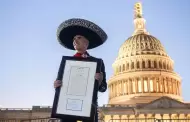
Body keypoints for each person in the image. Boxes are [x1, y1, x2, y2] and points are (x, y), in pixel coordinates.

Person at [53, 18, 108, 122]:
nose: (75, 41)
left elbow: (103, 88)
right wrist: (57, 84)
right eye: (73, 39)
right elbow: (60, 86)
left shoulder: (97, 63)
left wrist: (100, 81)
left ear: (86, 42)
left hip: (88, 109)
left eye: (79, 37)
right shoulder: (66, 63)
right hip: (67, 109)